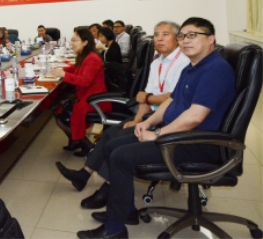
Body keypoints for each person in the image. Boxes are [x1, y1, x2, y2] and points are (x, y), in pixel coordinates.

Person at [76, 18, 235, 239]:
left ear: (211, 39)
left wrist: (158, 134)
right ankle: (127, 211)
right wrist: (147, 123)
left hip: (197, 143)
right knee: (112, 146)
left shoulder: (214, 70)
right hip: (179, 135)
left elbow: (195, 117)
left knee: (121, 157)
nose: (186, 41)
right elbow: (171, 101)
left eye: (193, 35)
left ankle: (114, 229)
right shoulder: (193, 67)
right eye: (182, 36)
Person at [56, 21, 190, 208]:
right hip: (151, 116)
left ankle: (108, 190)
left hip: (168, 120)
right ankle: (83, 174)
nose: (159, 38)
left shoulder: (184, 63)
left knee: (117, 142)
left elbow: (170, 98)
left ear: (177, 39)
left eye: (165, 34)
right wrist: (137, 119)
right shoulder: (157, 62)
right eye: (156, 34)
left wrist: (148, 99)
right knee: (110, 133)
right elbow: (144, 96)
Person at [50, 28, 110, 156]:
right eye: (71, 40)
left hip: (94, 100)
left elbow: (85, 81)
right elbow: (75, 68)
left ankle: (88, 146)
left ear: (85, 42)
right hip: (87, 96)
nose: (72, 43)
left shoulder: (92, 59)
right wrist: (59, 69)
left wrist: (64, 75)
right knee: (58, 107)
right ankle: (74, 141)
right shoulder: (84, 56)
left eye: (75, 40)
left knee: (62, 111)